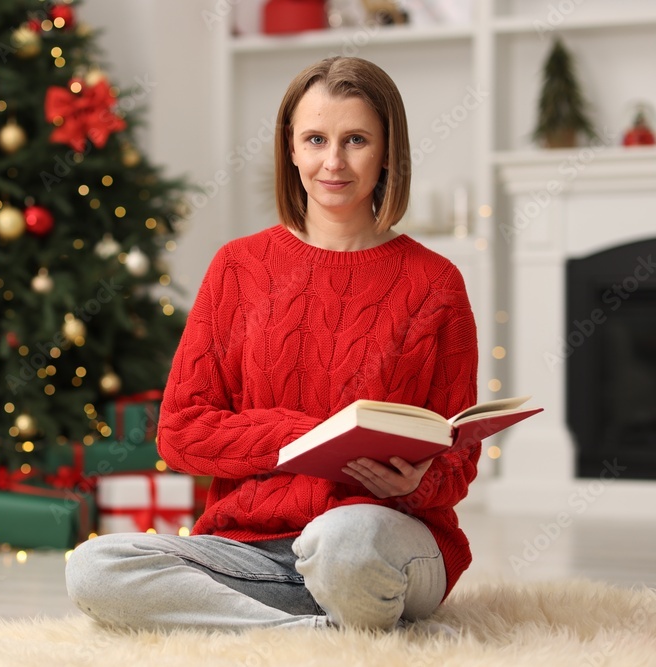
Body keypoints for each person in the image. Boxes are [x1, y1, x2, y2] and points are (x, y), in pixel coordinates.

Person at [65, 56, 479, 633]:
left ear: (388, 151)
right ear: (290, 149)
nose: (332, 161)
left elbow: (458, 453)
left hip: (382, 536)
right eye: (315, 139)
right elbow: (181, 430)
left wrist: (421, 481)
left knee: (343, 543)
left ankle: (296, 612)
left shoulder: (435, 282)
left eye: (356, 140)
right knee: (94, 568)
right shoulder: (238, 268)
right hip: (251, 547)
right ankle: (317, 631)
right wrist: (304, 437)